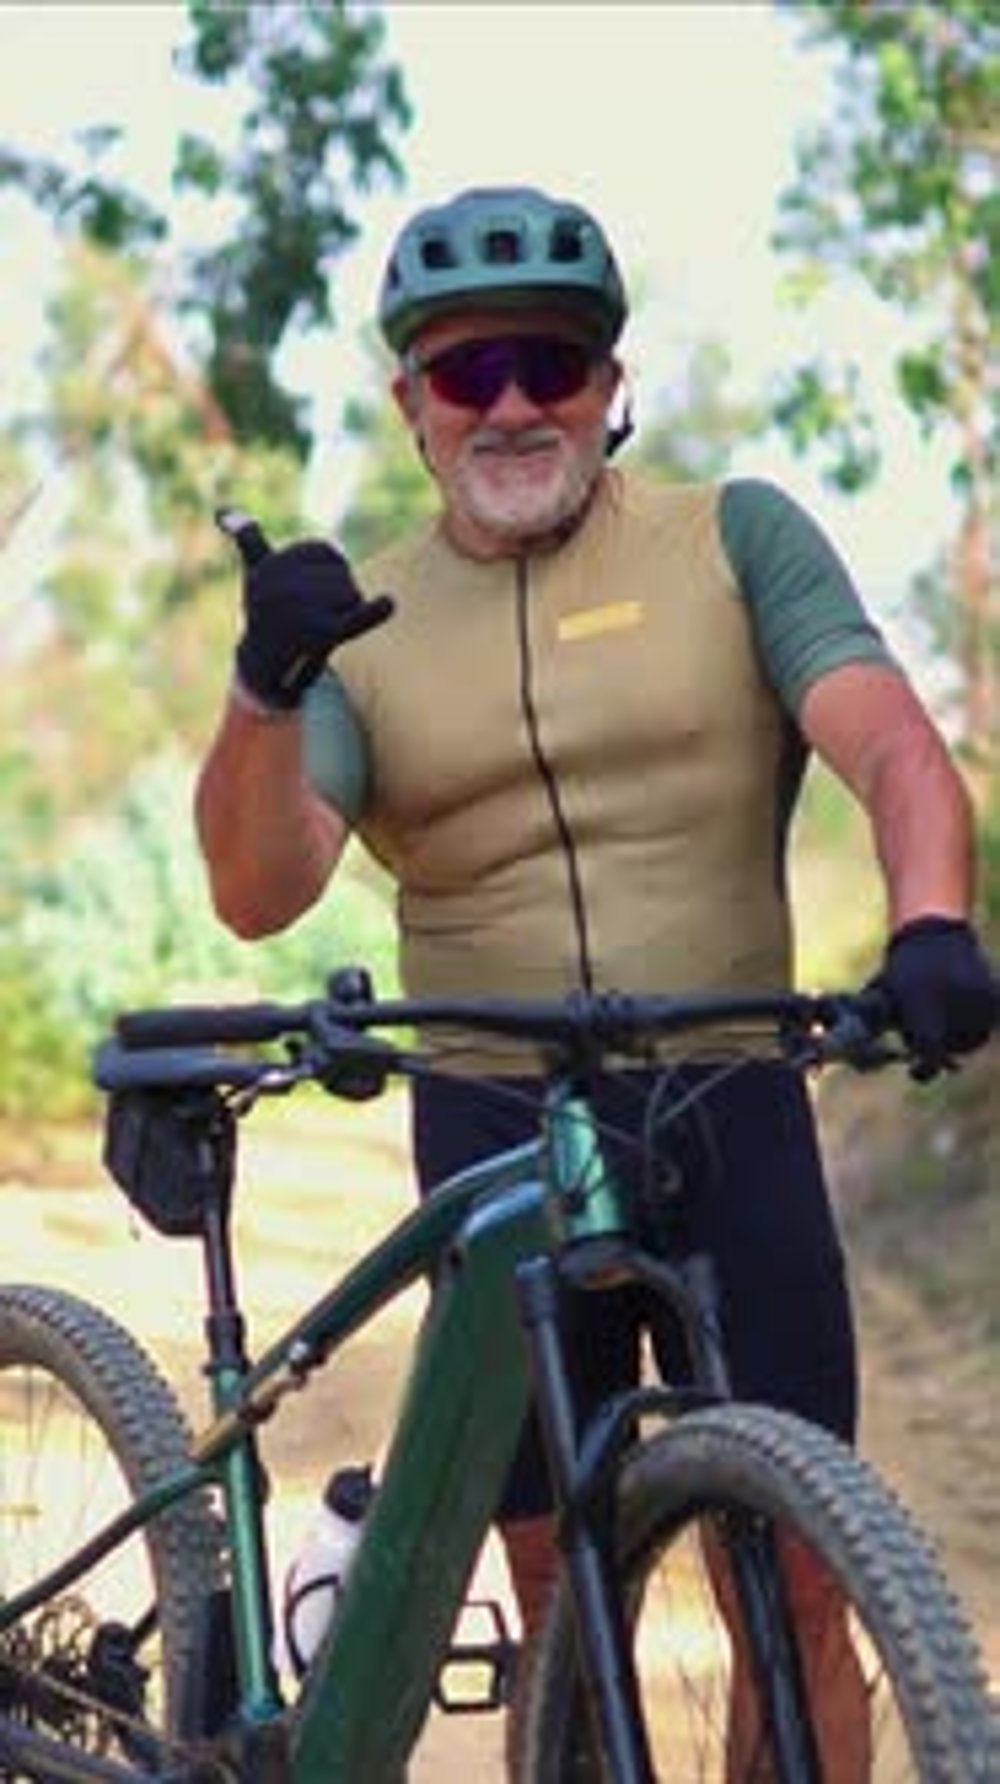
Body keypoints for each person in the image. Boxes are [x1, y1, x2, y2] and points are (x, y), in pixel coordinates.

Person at [194, 185, 995, 1771]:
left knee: (802, 1569)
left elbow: (894, 744)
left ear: (612, 383)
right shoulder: (362, 625)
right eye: (469, 368)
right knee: (559, 1580)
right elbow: (256, 887)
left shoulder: (735, 537)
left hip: (730, 1091)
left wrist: (927, 926)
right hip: (494, 1124)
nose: (511, 405)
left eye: (549, 364)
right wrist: (264, 684)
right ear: (410, 402)